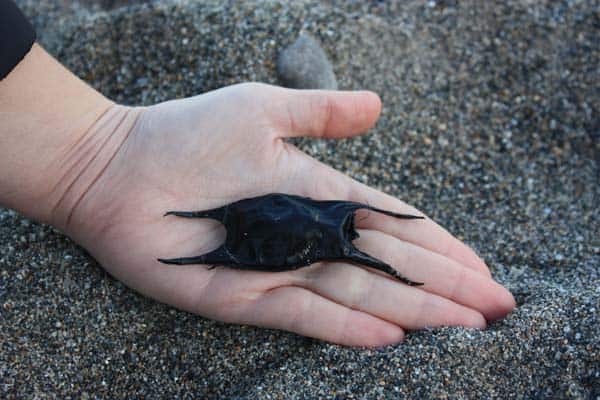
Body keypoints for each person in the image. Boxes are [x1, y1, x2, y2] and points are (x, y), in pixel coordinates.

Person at [0, 0, 515, 347]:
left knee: (337, 242)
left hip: (284, 230)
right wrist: (91, 156)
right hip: (278, 229)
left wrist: (85, 155)